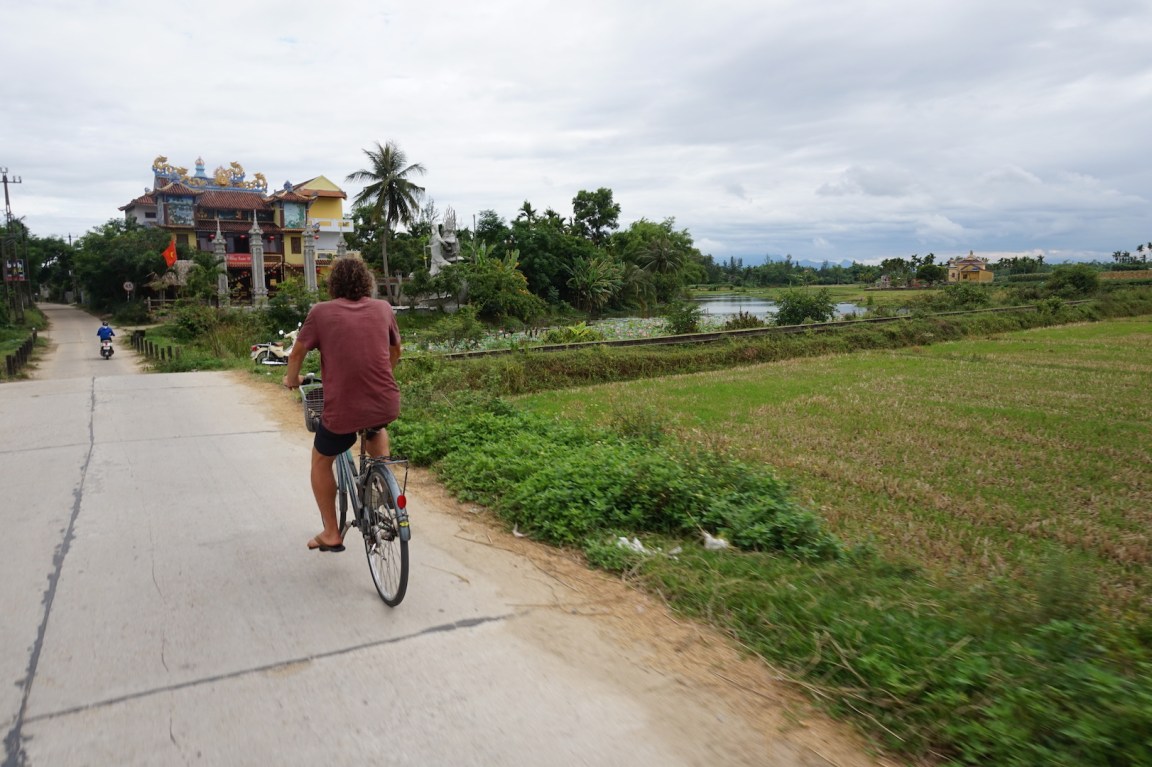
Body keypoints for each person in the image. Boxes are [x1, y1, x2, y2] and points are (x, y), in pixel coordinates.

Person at [282, 258, 402, 553]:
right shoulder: (383, 308)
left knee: (321, 461)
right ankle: (384, 483)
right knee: (376, 427)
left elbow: (296, 354)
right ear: (367, 283)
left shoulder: (320, 312)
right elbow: (395, 351)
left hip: (343, 409)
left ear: (333, 284)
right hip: (385, 401)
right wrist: (382, 374)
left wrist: (292, 379)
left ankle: (331, 532)